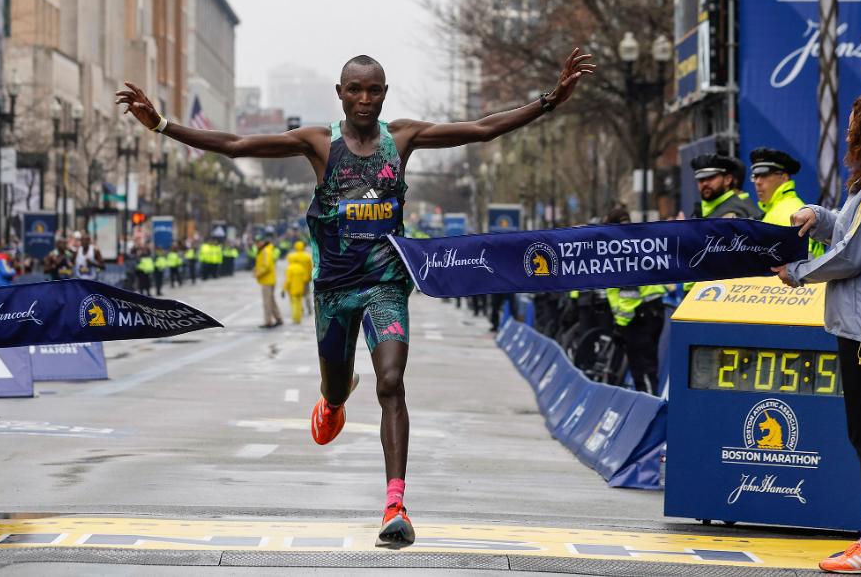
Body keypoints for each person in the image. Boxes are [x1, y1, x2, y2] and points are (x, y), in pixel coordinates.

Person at [117, 47, 593, 545]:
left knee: (391, 383)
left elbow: (480, 128)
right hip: (334, 293)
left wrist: (549, 101)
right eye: (355, 90)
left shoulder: (403, 138)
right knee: (339, 387)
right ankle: (333, 400)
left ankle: (395, 504)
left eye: (374, 90)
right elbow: (237, 144)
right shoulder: (318, 143)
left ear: (384, 95)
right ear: (340, 94)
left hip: (386, 284)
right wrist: (162, 125)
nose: (364, 99)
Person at [773, 93, 861, 574]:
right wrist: (817, 217)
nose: (846, 135)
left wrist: (797, 271)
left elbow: (853, 254)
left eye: (854, 126)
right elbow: (847, 231)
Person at [603, 207, 666, 395]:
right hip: (655, 310)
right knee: (650, 366)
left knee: (641, 370)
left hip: (637, 318)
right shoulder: (642, 241)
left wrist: (620, 323)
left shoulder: (619, 249)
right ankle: (651, 400)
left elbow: (625, 295)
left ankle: (649, 409)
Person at [750, 147, 824, 257]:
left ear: (784, 178)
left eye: (764, 175)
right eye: (755, 176)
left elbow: (802, 264)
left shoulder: (792, 212)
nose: (758, 182)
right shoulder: (776, 209)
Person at [689, 154, 762, 219]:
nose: (705, 183)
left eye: (711, 178)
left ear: (727, 180)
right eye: (701, 180)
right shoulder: (710, 209)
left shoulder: (733, 212)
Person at [253, 236, 282, 328]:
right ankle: (278, 318)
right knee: (271, 300)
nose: (257, 244)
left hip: (267, 280)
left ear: (263, 242)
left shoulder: (265, 251)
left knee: (267, 302)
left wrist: (257, 273)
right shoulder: (265, 250)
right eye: (256, 242)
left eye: (258, 242)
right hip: (269, 279)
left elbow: (266, 266)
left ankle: (268, 321)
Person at [283, 249, 311, 324]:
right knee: (300, 302)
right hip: (301, 288)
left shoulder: (289, 268)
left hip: (292, 289)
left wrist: (284, 289)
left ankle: (295, 318)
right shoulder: (301, 267)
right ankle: (300, 318)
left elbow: (288, 281)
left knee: (294, 304)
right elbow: (305, 278)